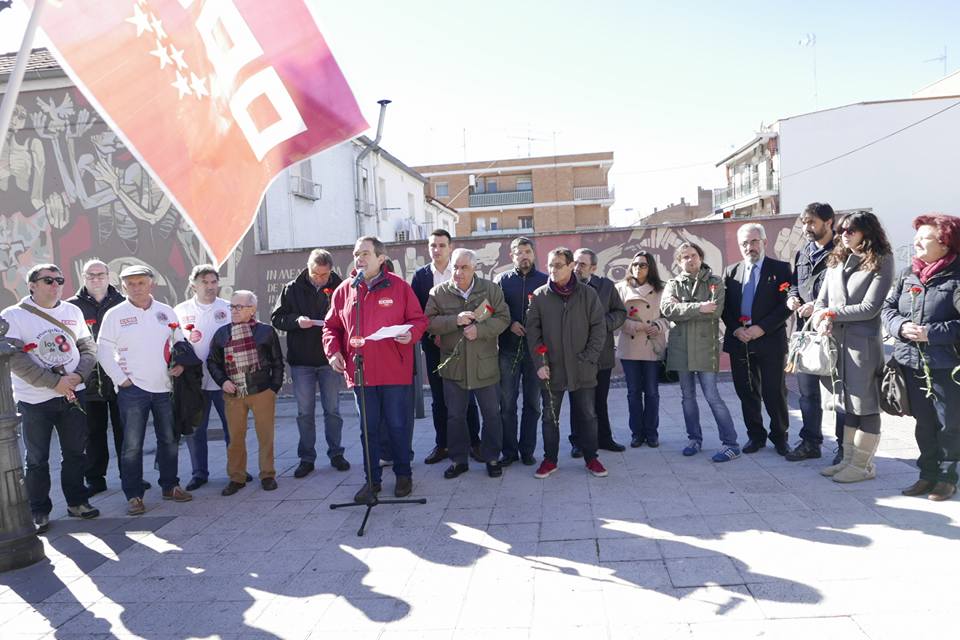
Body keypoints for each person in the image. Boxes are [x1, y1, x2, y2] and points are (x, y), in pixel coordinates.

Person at [323, 236, 428, 503]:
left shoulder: (400, 287)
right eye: (356, 253)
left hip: (394, 371)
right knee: (367, 429)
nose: (359, 258)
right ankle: (372, 481)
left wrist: (411, 334)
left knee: (397, 425)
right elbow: (331, 327)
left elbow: (419, 319)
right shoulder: (345, 289)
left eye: (365, 253)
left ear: (381, 258)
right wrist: (333, 351)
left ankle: (404, 475)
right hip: (361, 373)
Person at [3, 264, 99, 533]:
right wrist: (53, 382)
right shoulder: (13, 316)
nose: (55, 284)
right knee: (36, 459)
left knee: (75, 454)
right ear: (32, 285)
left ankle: (77, 503)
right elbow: (15, 359)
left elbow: (88, 347)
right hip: (34, 400)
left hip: (73, 395)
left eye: (60, 279)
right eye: (48, 280)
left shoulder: (72, 311)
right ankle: (39, 510)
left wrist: (78, 377)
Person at [97, 264, 193, 515]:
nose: (137, 287)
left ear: (151, 283)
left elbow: (179, 343)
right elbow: (104, 350)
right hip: (132, 390)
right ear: (123, 286)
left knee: (170, 440)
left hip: (164, 387)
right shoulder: (115, 314)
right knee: (131, 445)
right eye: (131, 283)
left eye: (141, 282)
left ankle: (170, 486)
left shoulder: (166, 312)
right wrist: (121, 379)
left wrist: (180, 365)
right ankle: (134, 495)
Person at [812, 210, 895, 483]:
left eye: (851, 230)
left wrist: (831, 315)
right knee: (846, 405)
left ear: (867, 232)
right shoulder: (836, 260)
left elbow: (870, 308)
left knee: (866, 406)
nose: (844, 235)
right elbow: (820, 302)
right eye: (842, 230)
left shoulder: (882, 260)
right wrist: (820, 319)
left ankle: (862, 465)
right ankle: (848, 460)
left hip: (863, 347)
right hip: (836, 344)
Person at [882, 213, 960, 501]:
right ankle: (926, 474)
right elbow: (888, 308)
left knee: (948, 423)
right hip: (910, 362)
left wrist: (931, 332)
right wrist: (899, 326)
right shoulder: (908, 273)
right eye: (916, 238)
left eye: (924, 238)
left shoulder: (956, 276)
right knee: (924, 423)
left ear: (945, 242)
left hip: (946, 365)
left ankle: (947, 477)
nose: (916, 243)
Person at [425, 248, 510, 479]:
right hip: (454, 366)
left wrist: (480, 330)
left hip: (485, 365)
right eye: (455, 267)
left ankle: (492, 457)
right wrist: (455, 320)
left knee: (491, 414)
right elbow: (429, 323)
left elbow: (503, 318)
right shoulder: (438, 293)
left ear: (474, 268)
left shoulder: (490, 290)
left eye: (464, 267)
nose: (458, 272)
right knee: (455, 416)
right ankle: (458, 459)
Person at [525, 247, 609, 479]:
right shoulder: (539, 296)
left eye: (558, 265)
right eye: (550, 265)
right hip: (551, 370)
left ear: (572, 266)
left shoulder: (587, 294)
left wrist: (589, 358)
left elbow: (599, 329)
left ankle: (592, 458)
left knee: (588, 415)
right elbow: (533, 334)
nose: (552, 270)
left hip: (583, 368)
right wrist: (540, 363)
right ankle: (549, 460)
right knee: (550, 417)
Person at [271, 248, 349, 478]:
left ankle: (336, 453)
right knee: (305, 412)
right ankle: (306, 458)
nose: (320, 279)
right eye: (316, 274)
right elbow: (277, 318)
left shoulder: (341, 286)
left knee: (332, 410)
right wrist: (296, 321)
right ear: (308, 268)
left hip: (330, 359)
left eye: (325, 275)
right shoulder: (291, 288)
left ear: (331, 271)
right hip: (302, 360)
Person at [661, 242, 741, 462]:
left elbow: (715, 312)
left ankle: (731, 443)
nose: (690, 259)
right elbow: (667, 309)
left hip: (706, 348)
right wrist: (698, 307)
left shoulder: (715, 283)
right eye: (685, 256)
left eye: (693, 255)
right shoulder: (673, 284)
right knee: (687, 397)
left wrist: (684, 308)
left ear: (700, 257)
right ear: (679, 261)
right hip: (681, 349)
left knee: (712, 396)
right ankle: (694, 439)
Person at [410, 229, 482, 465]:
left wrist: (453, 333)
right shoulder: (420, 277)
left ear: (450, 247)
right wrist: (434, 335)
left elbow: (472, 309)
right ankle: (443, 444)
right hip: (433, 347)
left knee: (467, 394)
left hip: (462, 345)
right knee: (439, 399)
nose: (437, 250)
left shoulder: (461, 270)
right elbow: (417, 314)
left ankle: (474, 442)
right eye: (433, 245)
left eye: (441, 245)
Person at [721, 223, 792, 456]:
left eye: (753, 242)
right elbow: (724, 308)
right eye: (744, 243)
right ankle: (755, 436)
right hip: (740, 340)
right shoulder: (731, 272)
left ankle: (780, 437)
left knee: (774, 392)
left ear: (764, 242)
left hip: (769, 339)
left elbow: (786, 306)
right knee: (746, 391)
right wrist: (735, 329)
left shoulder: (781, 270)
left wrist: (762, 328)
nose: (749, 247)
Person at [207, 291, 285, 495]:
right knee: (235, 439)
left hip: (261, 391)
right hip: (233, 394)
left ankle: (268, 475)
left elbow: (277, 361)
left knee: (265, 436)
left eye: (239, 307)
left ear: (252, 309)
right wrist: (222, 381)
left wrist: (273, 388)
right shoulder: (222, 333)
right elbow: (212, 362)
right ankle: (236, 477)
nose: (233, 311)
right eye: (232, 307)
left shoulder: (265, 332)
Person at [785, 203, 846, 463]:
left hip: (833, 332)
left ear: (828, 221)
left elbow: (846, 292)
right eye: (804, 222)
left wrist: (820, 308)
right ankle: (811, 442)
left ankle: (845, 447)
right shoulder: (803, 253)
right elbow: (795, 286)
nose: (806, 228)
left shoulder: (843, 252)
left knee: (839, 396)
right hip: (806, 336)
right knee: (807, 394)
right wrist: (792, 299)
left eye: (811, 222)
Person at [66, 259, 126, 496]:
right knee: (93, 432)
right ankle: (95, 479)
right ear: (83, 277)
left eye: (100, 274)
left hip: (121, 377)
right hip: (88, 380)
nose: (96, 279)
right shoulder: (71, 307)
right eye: (91, 275)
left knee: (125, 429)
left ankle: (129, 476)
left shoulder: (122, 302)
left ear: (108, 276)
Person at [174, 264, 232, 491]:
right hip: (194, 381)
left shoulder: (227, 308)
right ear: (193, 285)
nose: (209, 287)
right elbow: (173, 342)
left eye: (213, 282)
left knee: (232, 427)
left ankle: (237, 469)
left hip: (224, 379)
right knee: (196, 428)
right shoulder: (179, 310)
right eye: (204, 283)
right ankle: (199, 473)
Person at [494, 236, 547, 467]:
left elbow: (551, 315)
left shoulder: (545, 281)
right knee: (506, 404)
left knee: (533, 405)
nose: (524, 255)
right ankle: (509, 451)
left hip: (536, 353)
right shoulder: (501, 281)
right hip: (507, 350)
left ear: (534, 254)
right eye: (519, 252)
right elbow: (493, 311)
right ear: (512, 256)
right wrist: (510, 324)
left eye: (527, 251)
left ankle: (527, 450)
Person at [570, 248, 627, 456]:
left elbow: (620, 312)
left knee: (599, 400)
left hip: (601, 355)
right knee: (577, 401)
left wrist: (602, 324)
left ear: (593, 268)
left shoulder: (606, 286)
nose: (577, 268)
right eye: (575, 263)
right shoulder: (565, 287)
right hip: (575, 356)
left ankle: (604, 438)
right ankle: (578, 442)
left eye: (582, 265)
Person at [615, 251, 668, 448]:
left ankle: (652, 433)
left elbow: (669, 315)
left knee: (652, 392)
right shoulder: (620, 288)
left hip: (653, 345)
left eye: (643, 265)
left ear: (651, 267)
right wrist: (636, 326)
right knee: (633, 392)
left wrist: (658, 326)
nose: (638, 268)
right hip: (630, 346)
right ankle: (637, 433)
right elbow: (617, 317)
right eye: (635, 264)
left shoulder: (662, 289)